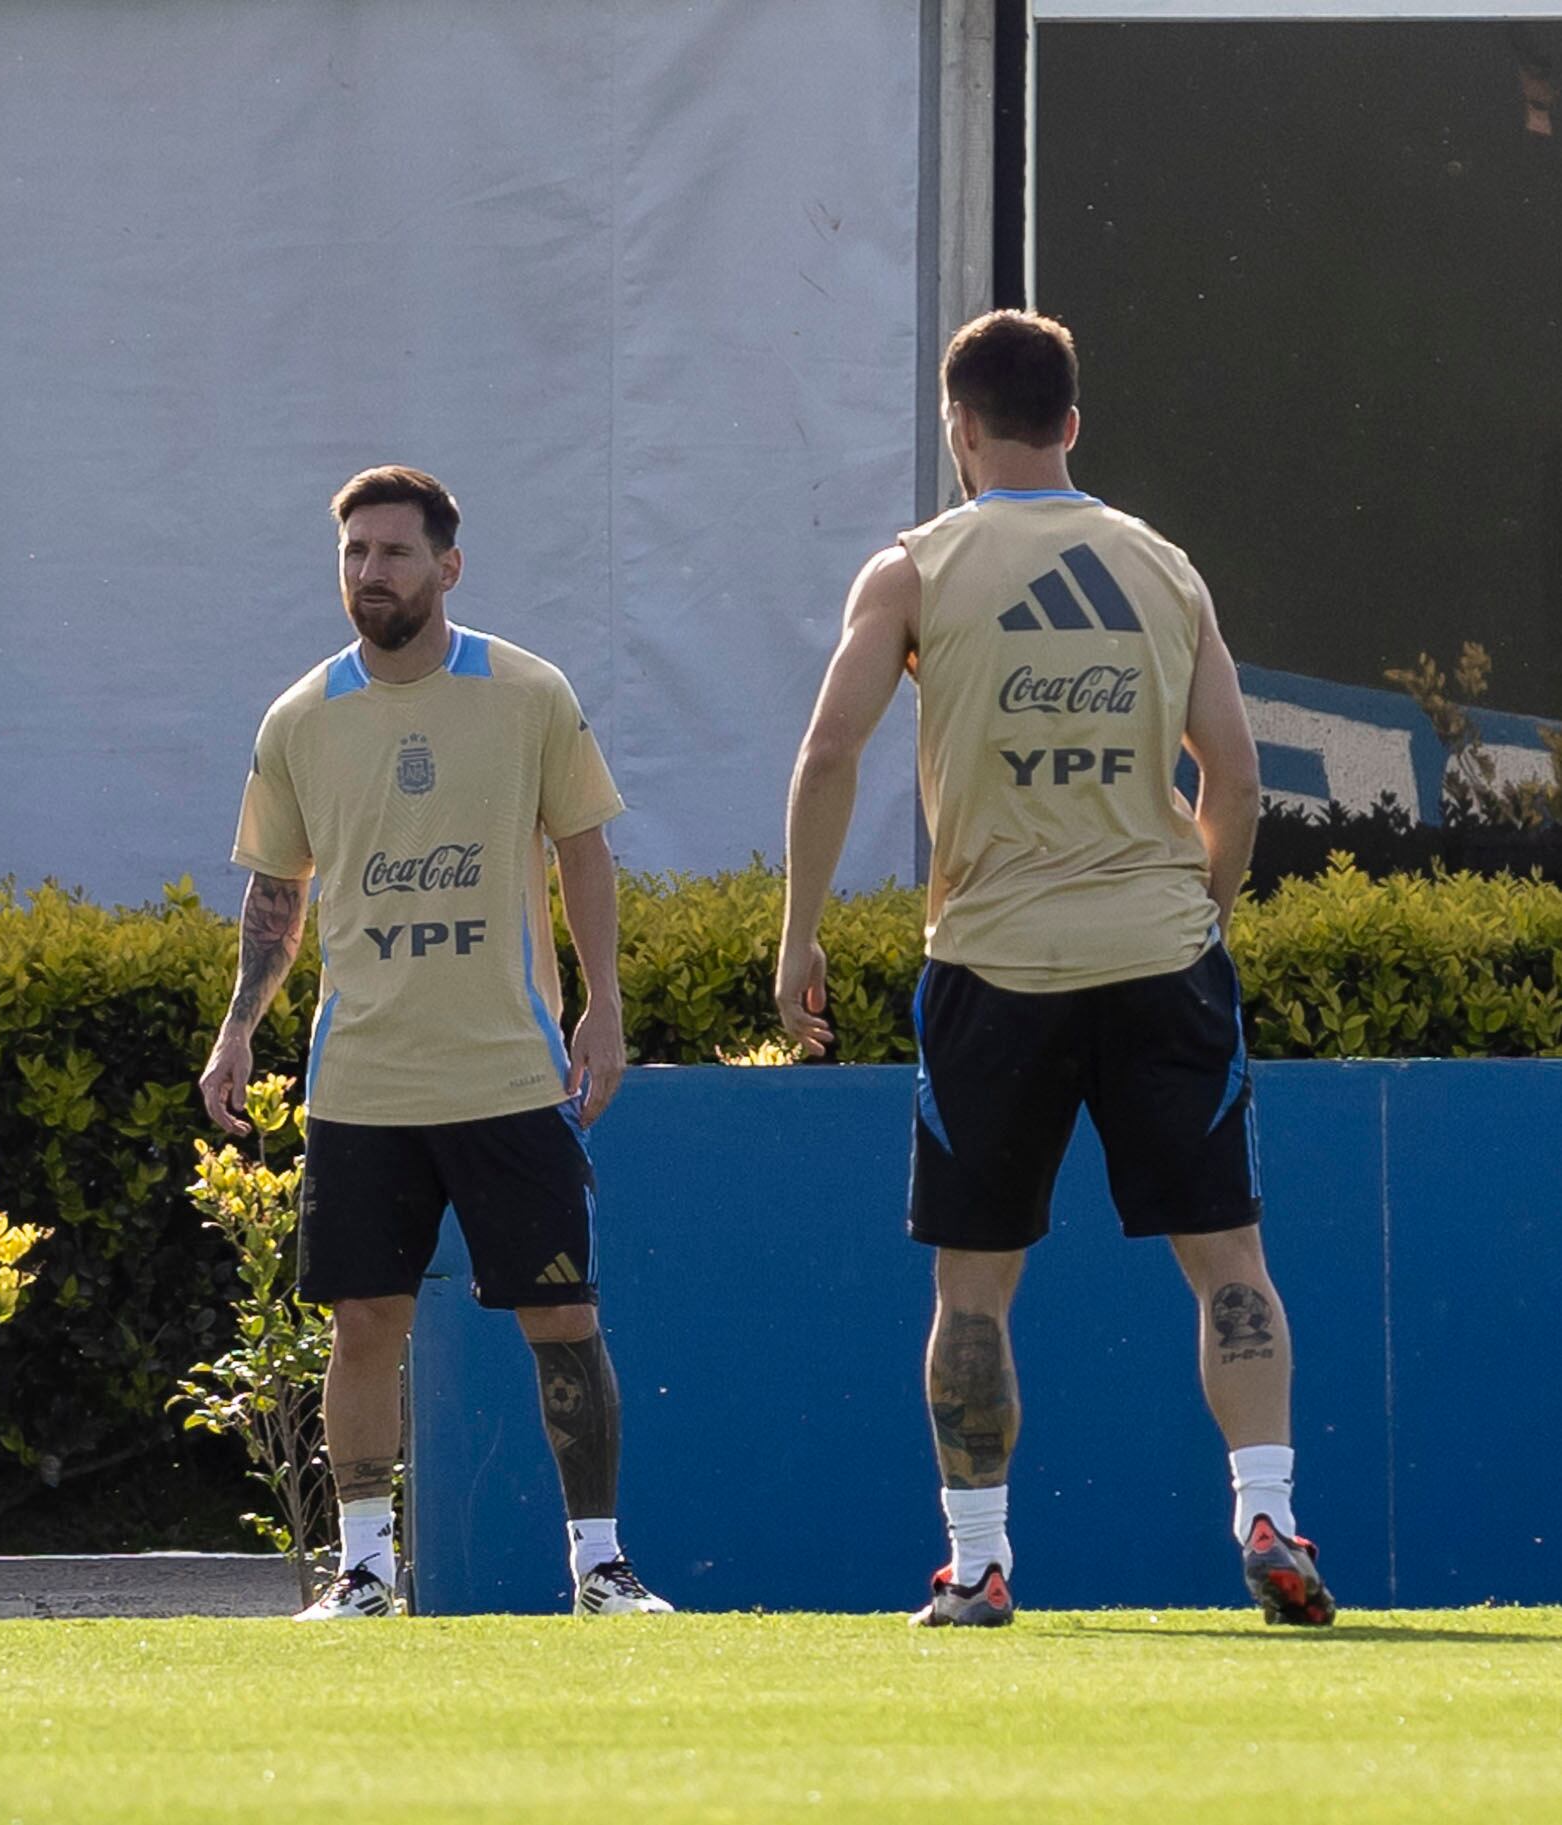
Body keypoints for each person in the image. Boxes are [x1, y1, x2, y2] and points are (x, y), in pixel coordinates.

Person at [774, 313, 1333, 1628]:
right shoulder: (1160, 566)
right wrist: (1199, 919)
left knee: (972, 1282)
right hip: (1157, 955)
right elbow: (1234, 778)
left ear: (957, 428)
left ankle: (977, 1564)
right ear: (1070, 423)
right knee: (1227, 1256)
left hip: (991, 964)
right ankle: (1264, 1510)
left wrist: (798, 934)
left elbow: (827, 752)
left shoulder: (912, 568)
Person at [199, 465, 667, 1621]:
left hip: (509, 1072)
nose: (370, 573)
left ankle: (599, 1569)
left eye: (394, 552)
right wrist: (237, 1028)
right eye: (354, 553)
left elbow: (583, 848)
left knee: (563, 1320)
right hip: (360, 1082)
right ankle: (362, 1570)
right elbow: (276, 890)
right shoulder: (299, 717)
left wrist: (602, 1003)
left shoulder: (526, 692)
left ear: (447, 567)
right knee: (363, 1323)